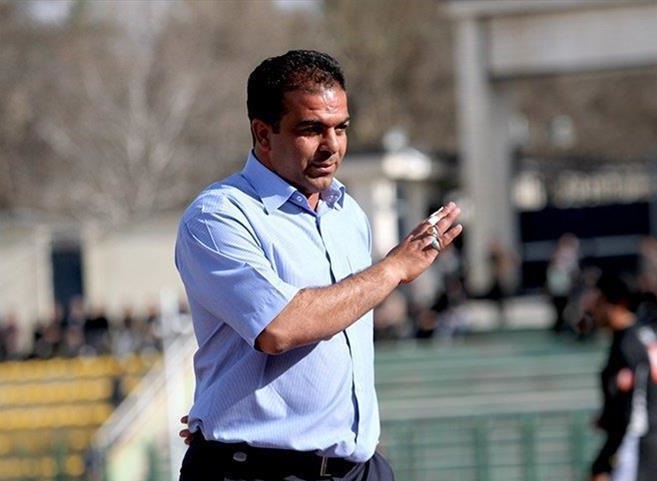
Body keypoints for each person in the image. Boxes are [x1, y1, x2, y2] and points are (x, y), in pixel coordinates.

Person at [174, 50, 462, 481]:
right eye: (311, 129)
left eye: (340, 127)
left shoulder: (348, 214)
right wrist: (392, 269)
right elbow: (279, 327)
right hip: (258, 471)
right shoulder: (218, 216)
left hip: (359, 468)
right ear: (263, 134)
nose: (332, 145)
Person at [589, 272, 657, 481]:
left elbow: (634, 411)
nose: (594, 309)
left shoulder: (627, 345)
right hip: (656, 443)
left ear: (617, 303)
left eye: (599, 302)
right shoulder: (646, 337)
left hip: (636, 448)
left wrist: (608, 455)